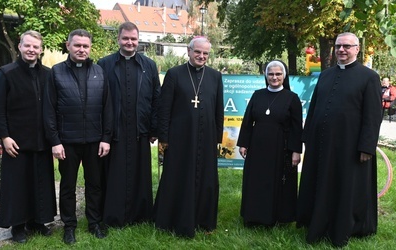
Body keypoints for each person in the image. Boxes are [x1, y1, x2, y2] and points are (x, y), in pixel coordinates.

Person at [296, 32, 382, 247]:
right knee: (320, 182)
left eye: (347, 46)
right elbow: (314, 106)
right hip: (322, 144)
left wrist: (366, 146)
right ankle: (318, 221)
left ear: (357, 49)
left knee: (346, 186)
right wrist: (307, 137)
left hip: (350, 146)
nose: (341, 50)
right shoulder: (325, 75)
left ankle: (345, 225)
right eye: (338, 46)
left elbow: (373, 115)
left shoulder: (369, 77)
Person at [43, 29, 113, 244]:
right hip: (67, 142)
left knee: (95, 184)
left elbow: (107, 108)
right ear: (68, 46)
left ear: (90, 48)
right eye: (77, 45)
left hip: (94, 141)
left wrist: (106, 138)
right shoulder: (55, 72)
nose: (82, 49)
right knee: (68, 186)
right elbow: (49, 110)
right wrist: (55, 141)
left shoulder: (100, 72)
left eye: (85, 46)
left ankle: (94, 223)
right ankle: (69, 225)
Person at [153, 36, 224, 238]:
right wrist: (163, 138)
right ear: (189, 51)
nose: (201, 56)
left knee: (206, 178)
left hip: (207, 136)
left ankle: (203, 219)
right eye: (198, 52)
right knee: (178, 176)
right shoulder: (175, 74)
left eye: (205, 53)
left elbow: (219, 110)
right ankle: (172, 218)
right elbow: (164, 109)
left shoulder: (215, 76)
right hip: (179, 138)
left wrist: (217, 139)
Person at [97, 21, 160, 227]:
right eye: (126, 38)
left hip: (139, 130)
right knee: (114, 174)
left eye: (133, 39)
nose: (130, 42)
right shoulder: (104, 64)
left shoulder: (149, 65)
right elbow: (99, 98)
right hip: (114, 129)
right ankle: (113, 215)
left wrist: (153, 127)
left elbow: (156, 98)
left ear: (138, 40)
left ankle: (139, 215)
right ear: (118, 39)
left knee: (139, 174)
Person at [0, 30, 57, 244]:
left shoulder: (48, 74)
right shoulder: (6, 73)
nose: (31, 50)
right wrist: (4, 136)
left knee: (40, 183)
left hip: (42, 140)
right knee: (18, 186)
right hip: (16, 142)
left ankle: (37, 222)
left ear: (41, 50)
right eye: (27, 45)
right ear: (20, 46)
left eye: (35, 47)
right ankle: (18, 226)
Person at [237, 60, 302, 227]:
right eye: (271, 74)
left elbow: (296, 128)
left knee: (278, 181)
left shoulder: (292, 98)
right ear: (266, 75)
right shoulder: (257, 95)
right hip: (257, 146)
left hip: (281, 148)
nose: (274, 77)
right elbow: (248, 121)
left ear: (284, 76)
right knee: (256, 180)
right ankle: (254, 216)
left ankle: (278, 217)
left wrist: (296, 151)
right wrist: (243, 143)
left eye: (278, 74)